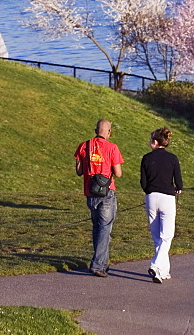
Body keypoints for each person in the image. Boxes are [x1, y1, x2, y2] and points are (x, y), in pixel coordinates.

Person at [74, 118, 124, 277]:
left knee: (98, 227)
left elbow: (79, 171)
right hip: (107, 192)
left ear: (96, 130)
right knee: (105, 228)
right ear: (108, 132)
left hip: (90, 192)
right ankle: (97, 265)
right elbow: (118, 173)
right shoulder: (112, 147)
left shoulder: (84, 146)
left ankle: (103, 262)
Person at [140, 126, 183, 283]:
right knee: (167, 235)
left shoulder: (146, 158)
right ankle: (155, 264)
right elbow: (179, 182)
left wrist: (150, 191)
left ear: (156, 142)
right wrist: (178, 189)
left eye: (151, 141)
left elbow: (143, 183)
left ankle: (162, 272)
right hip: (167, 198)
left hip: (151, 197)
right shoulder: (172, 159)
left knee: (157, 236)